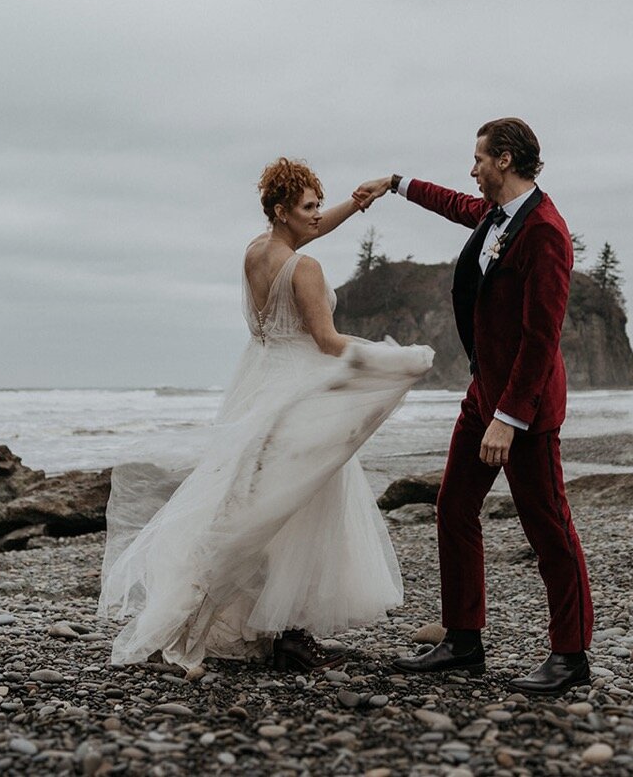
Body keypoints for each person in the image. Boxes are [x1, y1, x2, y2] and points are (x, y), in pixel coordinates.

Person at [98, 158, 433, 673]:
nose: (318, 215)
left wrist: (364, 200)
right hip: (297, 394)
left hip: (257, 385)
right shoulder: (307, 269)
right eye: (309, 207)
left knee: (254, 504)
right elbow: (326, 341)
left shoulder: (258, 251)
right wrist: (395, 359)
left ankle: (259, 625)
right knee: (299, 507)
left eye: (320, 204)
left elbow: (303, 242)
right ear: (282, 211)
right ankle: (290, 633)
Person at [354, 118, 594, 695]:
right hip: (482, 393)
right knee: (454, 506)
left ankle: (571, 655)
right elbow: (457, 203)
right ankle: (463, 642)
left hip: (525, 409)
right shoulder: (497, 215)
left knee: (549, 527)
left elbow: (542, 339)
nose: (473, 168)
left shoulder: (545, 233)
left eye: (480, 158)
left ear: (505, 160)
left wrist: (509, 420)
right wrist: (396, 183)